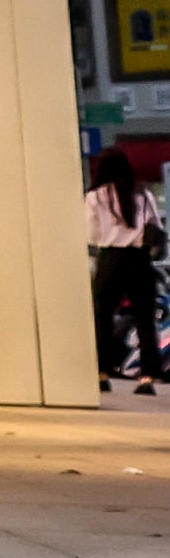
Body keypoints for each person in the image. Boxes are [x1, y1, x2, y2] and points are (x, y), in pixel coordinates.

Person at [91, 148, 160, 394]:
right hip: (139, 259)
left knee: (102, 317)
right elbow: (155, 226)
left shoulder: (95, 197)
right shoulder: (143, 194)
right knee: (145, 319)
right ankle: (148, 376)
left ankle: (102, 372)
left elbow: (90, 233)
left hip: (110, 258)